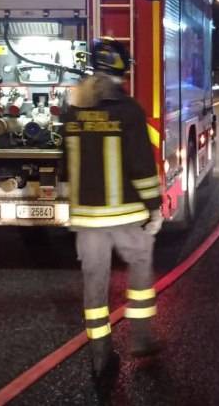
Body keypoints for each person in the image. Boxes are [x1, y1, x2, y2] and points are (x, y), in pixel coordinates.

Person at [62, 38, 163, 381]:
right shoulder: (128, 110)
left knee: (94, 284)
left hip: (86, 220)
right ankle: (141, 339)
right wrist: (154, 207)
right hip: (126, 217)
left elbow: (65, 164)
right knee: (140, 270)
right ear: (122, 70)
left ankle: (100, 356)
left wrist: (70, 203)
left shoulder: (73, 110)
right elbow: (141, 165)